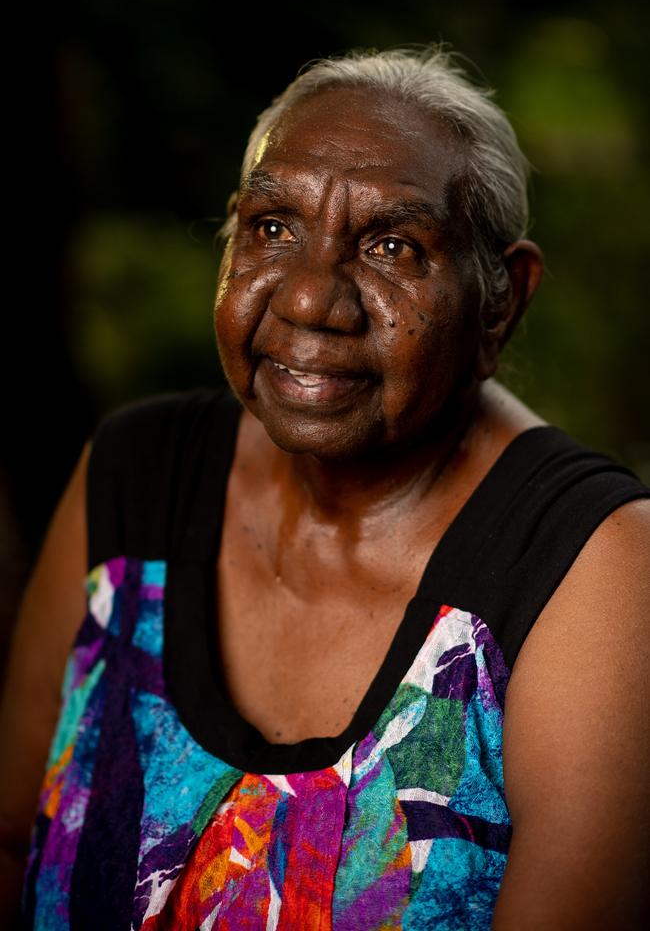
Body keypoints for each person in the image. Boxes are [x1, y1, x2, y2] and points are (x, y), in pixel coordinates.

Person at [1, 45, 649, 930]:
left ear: (501, 299)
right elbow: (11, 841)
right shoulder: (131, 478)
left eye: (392, 245)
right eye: (273, 228)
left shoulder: (593, 564)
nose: (310, 300)